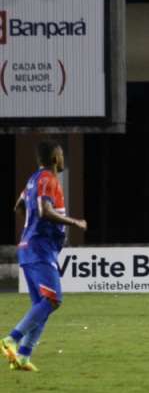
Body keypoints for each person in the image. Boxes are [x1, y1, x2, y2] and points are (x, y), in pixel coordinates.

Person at [3, 140, 87, 372]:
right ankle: (11, 339)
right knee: (53, 299)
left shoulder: (33, 180)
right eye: (61, 155)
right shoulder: (48, 179)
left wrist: (32, 228)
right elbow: (44, 210)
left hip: (30, 246)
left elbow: (19, 207)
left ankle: (23, 356)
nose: (63, 159)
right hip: (40, 248)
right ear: (54, 158)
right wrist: (74, 222)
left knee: (42, 305)